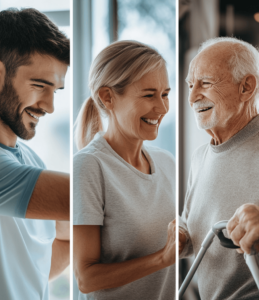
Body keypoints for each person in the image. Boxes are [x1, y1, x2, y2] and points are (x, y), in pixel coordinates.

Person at [0, 9, 70, 300]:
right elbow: (84, 197)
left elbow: (58, 244)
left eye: (56, 90)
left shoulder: (30, 160)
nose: (50, 106)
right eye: (40, 86)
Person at [73, 40, 176, 300]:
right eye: (149, 95)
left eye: (165, 94)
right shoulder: (89, 166)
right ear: (108, 97)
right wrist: (162, 258)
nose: (162, 108)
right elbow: (86, 278)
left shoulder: (167, 163)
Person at [179, 37, 259, 300]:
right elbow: (192, 226)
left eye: (205, 83)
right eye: (190, 85)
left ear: (246, 88)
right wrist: (181, 236)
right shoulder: (200, 158)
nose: (193, 96)